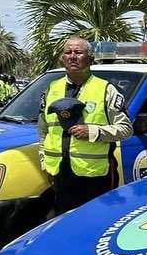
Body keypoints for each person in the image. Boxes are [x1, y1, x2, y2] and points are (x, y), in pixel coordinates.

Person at [37, 37, 132, 213]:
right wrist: (44, 162)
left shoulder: (105, 89)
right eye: (68, 52)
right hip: (59, 174)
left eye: (78, 52)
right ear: (62, 58)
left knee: (97, 223)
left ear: (90, 58)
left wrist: (93, 131)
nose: (73, 56)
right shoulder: (51, 88)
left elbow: (126, 129)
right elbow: (43, 130)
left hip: (95, 175)